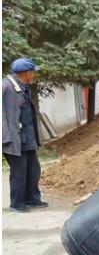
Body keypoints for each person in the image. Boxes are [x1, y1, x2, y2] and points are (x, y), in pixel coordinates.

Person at [2, 58, 48, 212]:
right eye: (32, 72)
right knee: (19, 172)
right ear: (26, 73)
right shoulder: (6, 87)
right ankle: (17, 203)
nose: (34, 74)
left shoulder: (22, 86)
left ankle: (32, 198)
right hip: (13, 137)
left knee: (33, 169)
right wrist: (5, 137)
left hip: (27, 135)